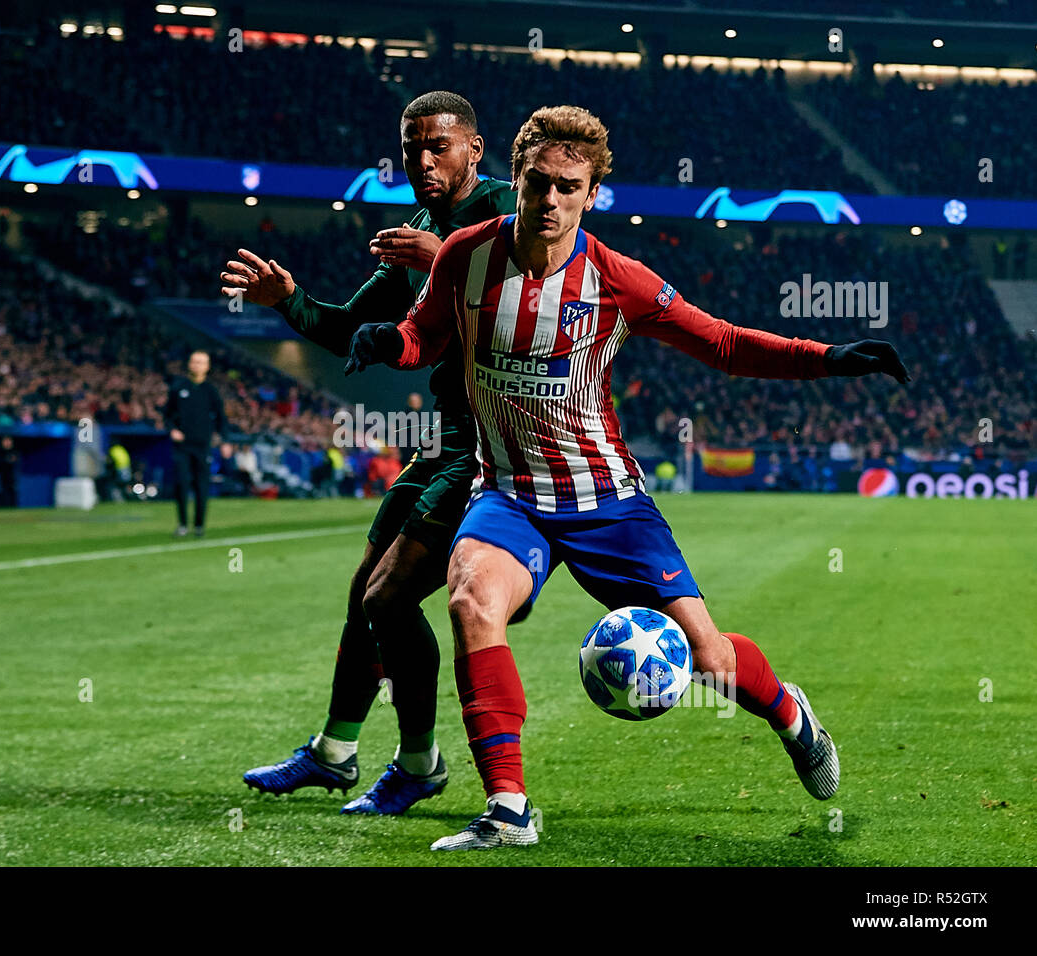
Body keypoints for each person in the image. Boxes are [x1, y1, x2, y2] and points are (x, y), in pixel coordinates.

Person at [347, 104, 909, 850]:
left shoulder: (617, 280)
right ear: (513, 178)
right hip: (508, 495)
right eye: (539, 183)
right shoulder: (463, 256)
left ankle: (790, 713)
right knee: (472, 601)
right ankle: (508, 809)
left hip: (606, 501)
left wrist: (827, 358)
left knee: (707, 659)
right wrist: (392, 339)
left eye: (568, 188)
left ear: (591, 194)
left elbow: (726, 344)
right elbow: (428, 338)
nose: (550, 201)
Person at [222, 91, 517, 814]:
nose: (422, 161)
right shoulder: (416, 229)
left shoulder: (511, 210)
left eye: (438, 146)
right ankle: (335, 753)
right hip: (447, 440)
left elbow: (530, 293)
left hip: (497, 445)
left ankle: (419, 763)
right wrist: (290, 300)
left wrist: (443, 257)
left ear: (474, 150)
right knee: (366, 594)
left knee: (390, 596)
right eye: (412, 148)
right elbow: (351, 327)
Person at [167, 350, 225, 537]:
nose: (197, 365)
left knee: (202, 485)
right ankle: (182, 524)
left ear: (207, 367)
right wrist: (172, 429)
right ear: (189, 364)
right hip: (182, 445)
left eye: (201, 362)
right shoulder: (178, 387)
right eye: (194, 361)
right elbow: (167, 414)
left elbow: (221, 417)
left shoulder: (211, 391)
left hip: (202, 444)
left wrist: (224, 439)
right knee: (182, 483)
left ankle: (199, 525)